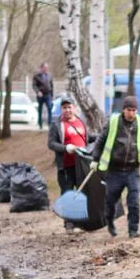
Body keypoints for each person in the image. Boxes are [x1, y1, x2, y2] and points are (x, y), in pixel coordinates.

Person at [95, 94, 140, 238]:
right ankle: (110, 221)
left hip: (132, 169)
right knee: (110, 200)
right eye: (129, 110)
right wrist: (95, 159)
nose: (131, 113)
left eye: (134, 110)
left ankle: (133, 230)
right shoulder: (113, 122)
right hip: (115, 170)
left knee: (134, 201)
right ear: (123, 109)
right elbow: (100, 141)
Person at [46, 96, 94, 229]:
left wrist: (100, 138)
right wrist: (65, 148)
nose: (67, 110)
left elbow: (87, 138)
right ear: (61, 109)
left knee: (82, 193)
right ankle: (69, 223)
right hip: (66, 166)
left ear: (74, 107)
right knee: (68, 194)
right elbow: (51, 143)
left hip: (81, 165)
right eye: (64, 108)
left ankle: (82, 221)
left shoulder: (81, 121)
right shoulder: (57, 124)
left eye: (69, 107)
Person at [33, 63, 54, 129]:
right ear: (41, 68)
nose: (46, 69)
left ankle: (49, 124)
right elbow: (34, 85)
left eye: (47, 68)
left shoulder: (49, 75)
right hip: (40, 95)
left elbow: (51, 86)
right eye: (44, 67)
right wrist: (38, 92)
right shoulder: (37, 76)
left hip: (48, 95)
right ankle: (40, 124)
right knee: (40, 109)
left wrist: (52, 95)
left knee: (50, 108)